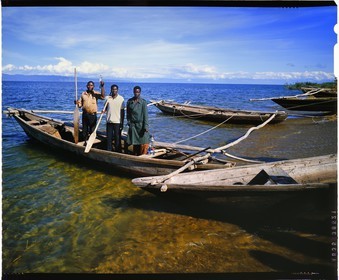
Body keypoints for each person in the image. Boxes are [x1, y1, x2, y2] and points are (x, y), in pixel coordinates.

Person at [126, 86, 150, 155]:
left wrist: (146, 126)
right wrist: (129, 122)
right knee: (134, 142)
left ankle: (142, 155)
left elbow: (145, 115)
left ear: (140, 92)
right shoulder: (129, 101)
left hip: (141, 125)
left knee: (143, 141)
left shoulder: (143, 102)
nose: (137, 93)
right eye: (135, 92)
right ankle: (135, 154)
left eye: (138, 92)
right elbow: (128, 113)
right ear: (133, 92)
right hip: (133, 126)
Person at [103, 84, 125, 152]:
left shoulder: (121, 99)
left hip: (117, 122)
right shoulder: (107, 98)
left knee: (117, 139)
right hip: (109, 122)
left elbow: (122, 112)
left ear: (117, 90)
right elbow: (106, 108)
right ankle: (109, 151)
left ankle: (118, 151)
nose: (114, 90)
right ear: (111, 90)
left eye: (115, 89)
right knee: (109, 138)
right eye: (113, 89)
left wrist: (122, 123)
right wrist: (104, 110)